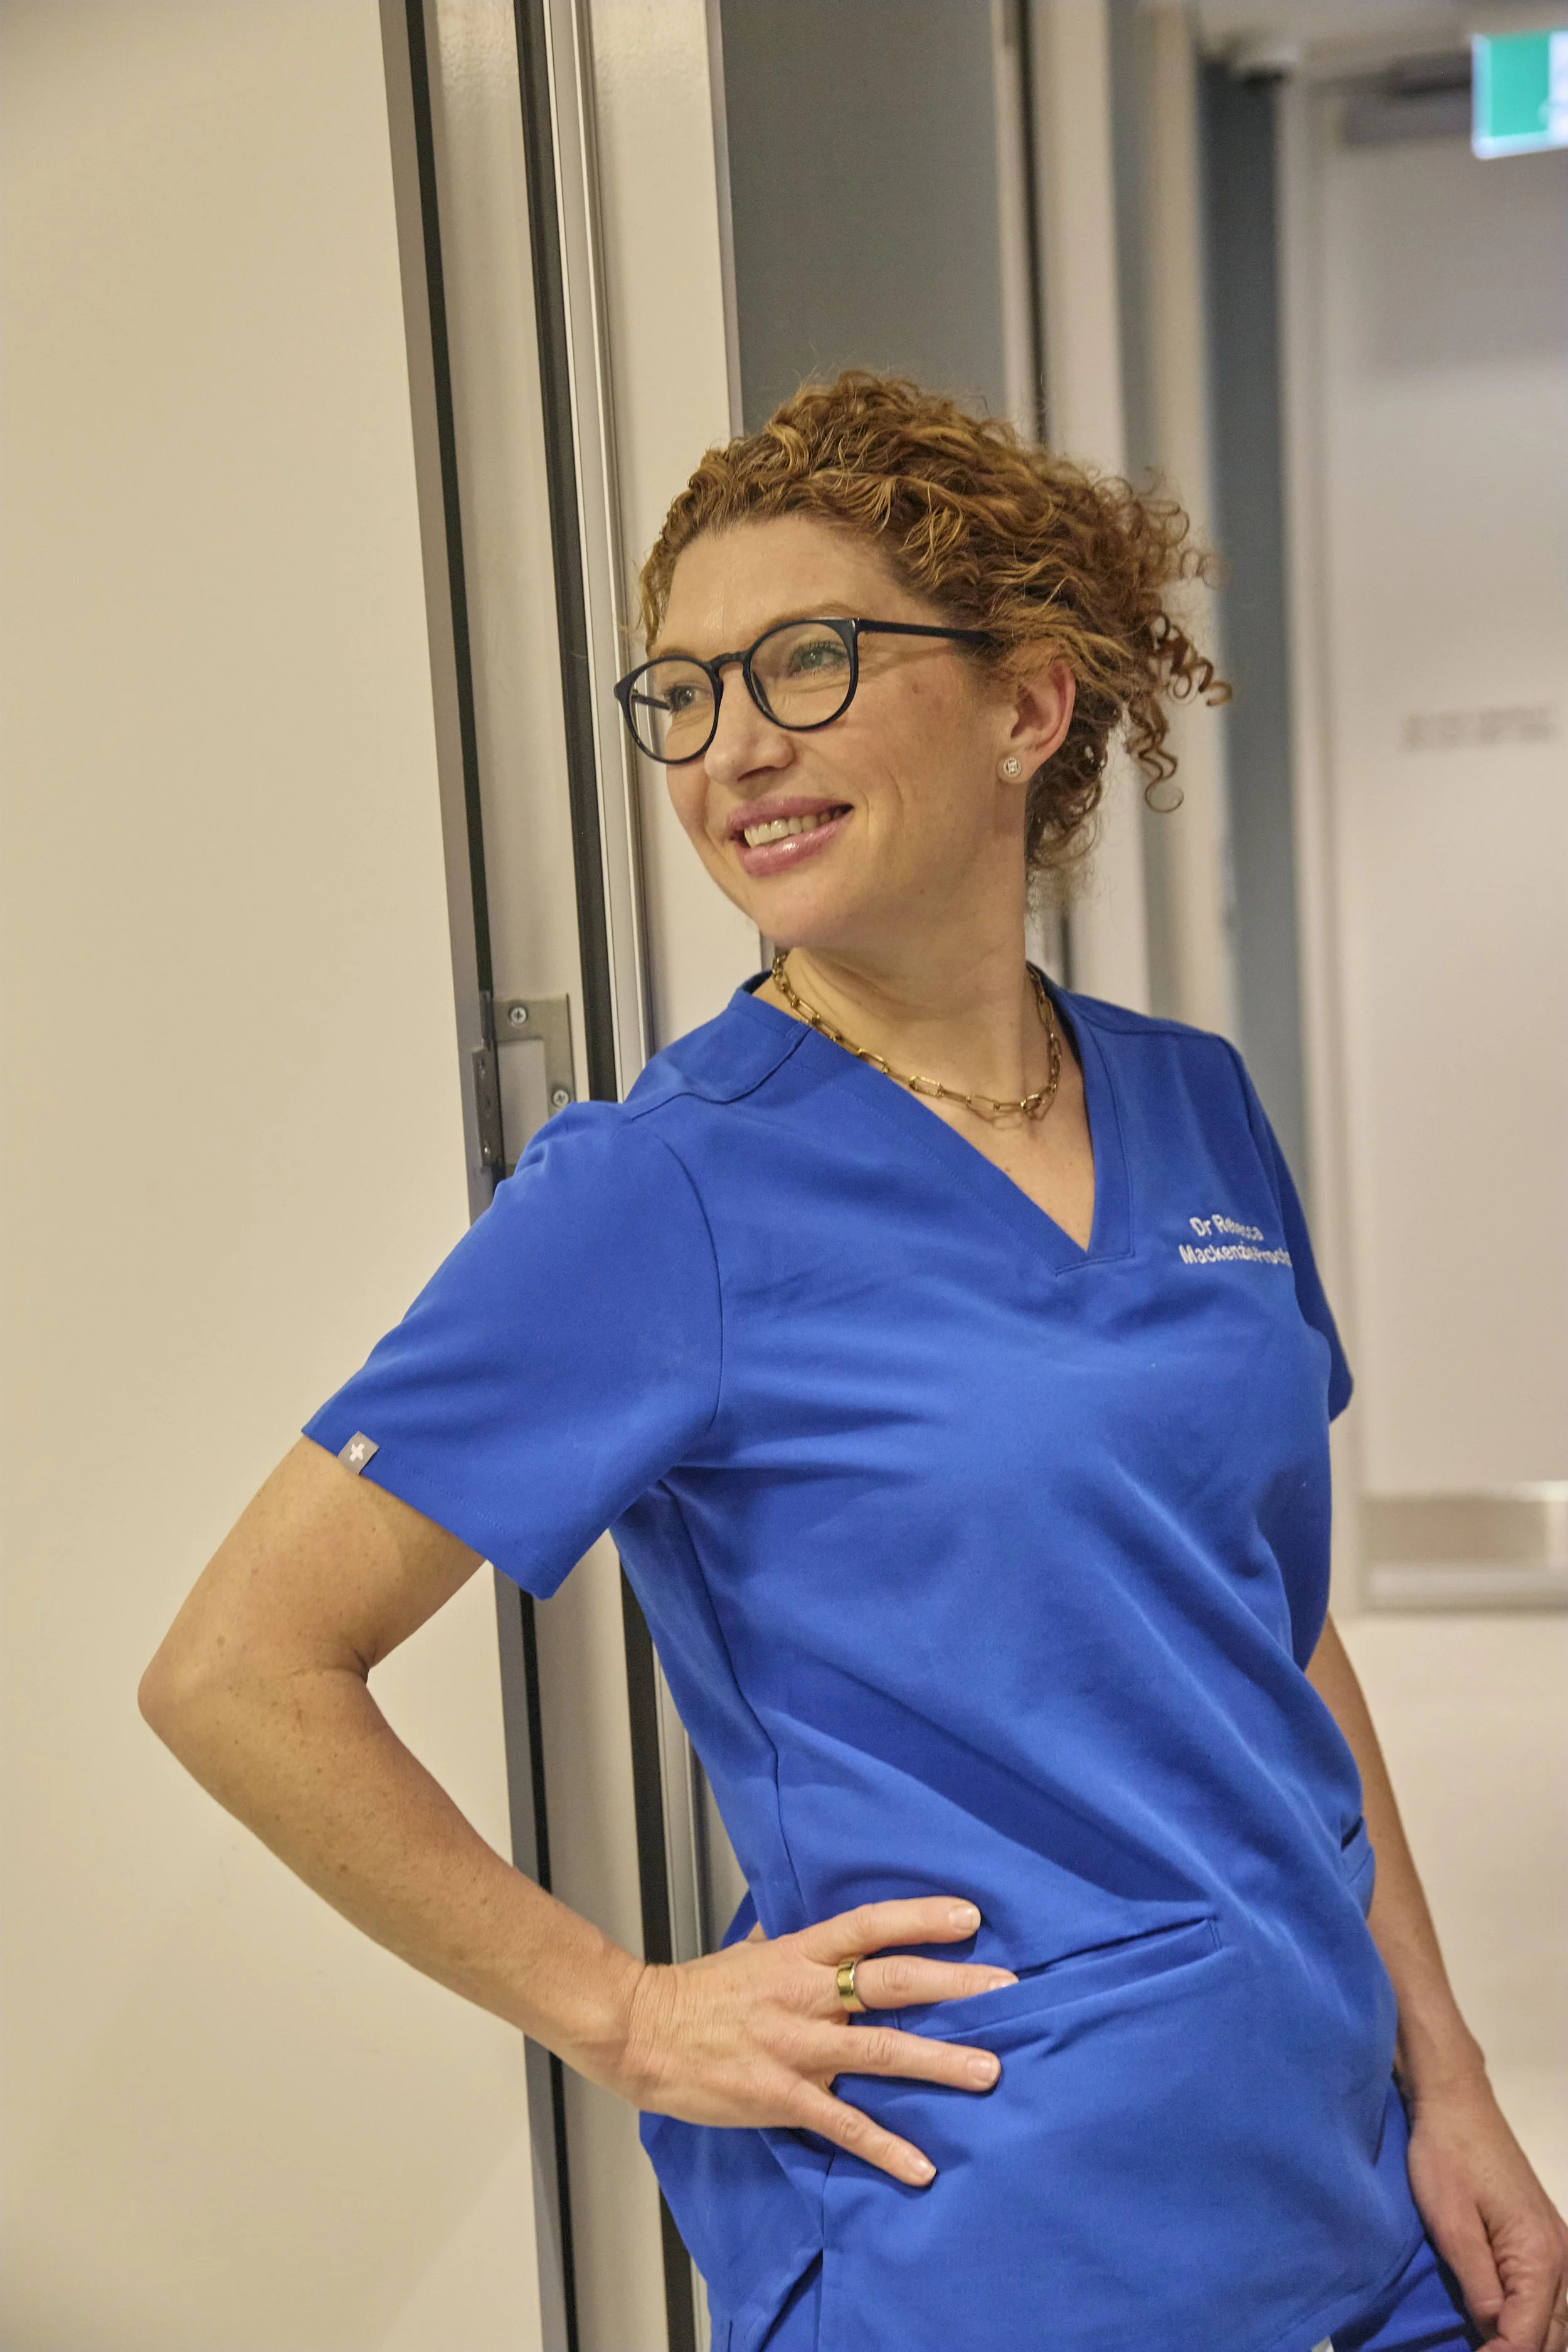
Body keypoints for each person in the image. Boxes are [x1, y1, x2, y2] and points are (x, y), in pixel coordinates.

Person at [140, 373, 1567, 2352]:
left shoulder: (1193, 1103)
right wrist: (625, 2014)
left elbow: (1273, 1621)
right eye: (682, 692)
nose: (733, 746)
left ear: (1026, 702)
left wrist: (1452, 2075)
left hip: (1341, 2189)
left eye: (804, 663)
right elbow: (237, 1670)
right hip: (987, 2234)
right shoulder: (662, 1192)